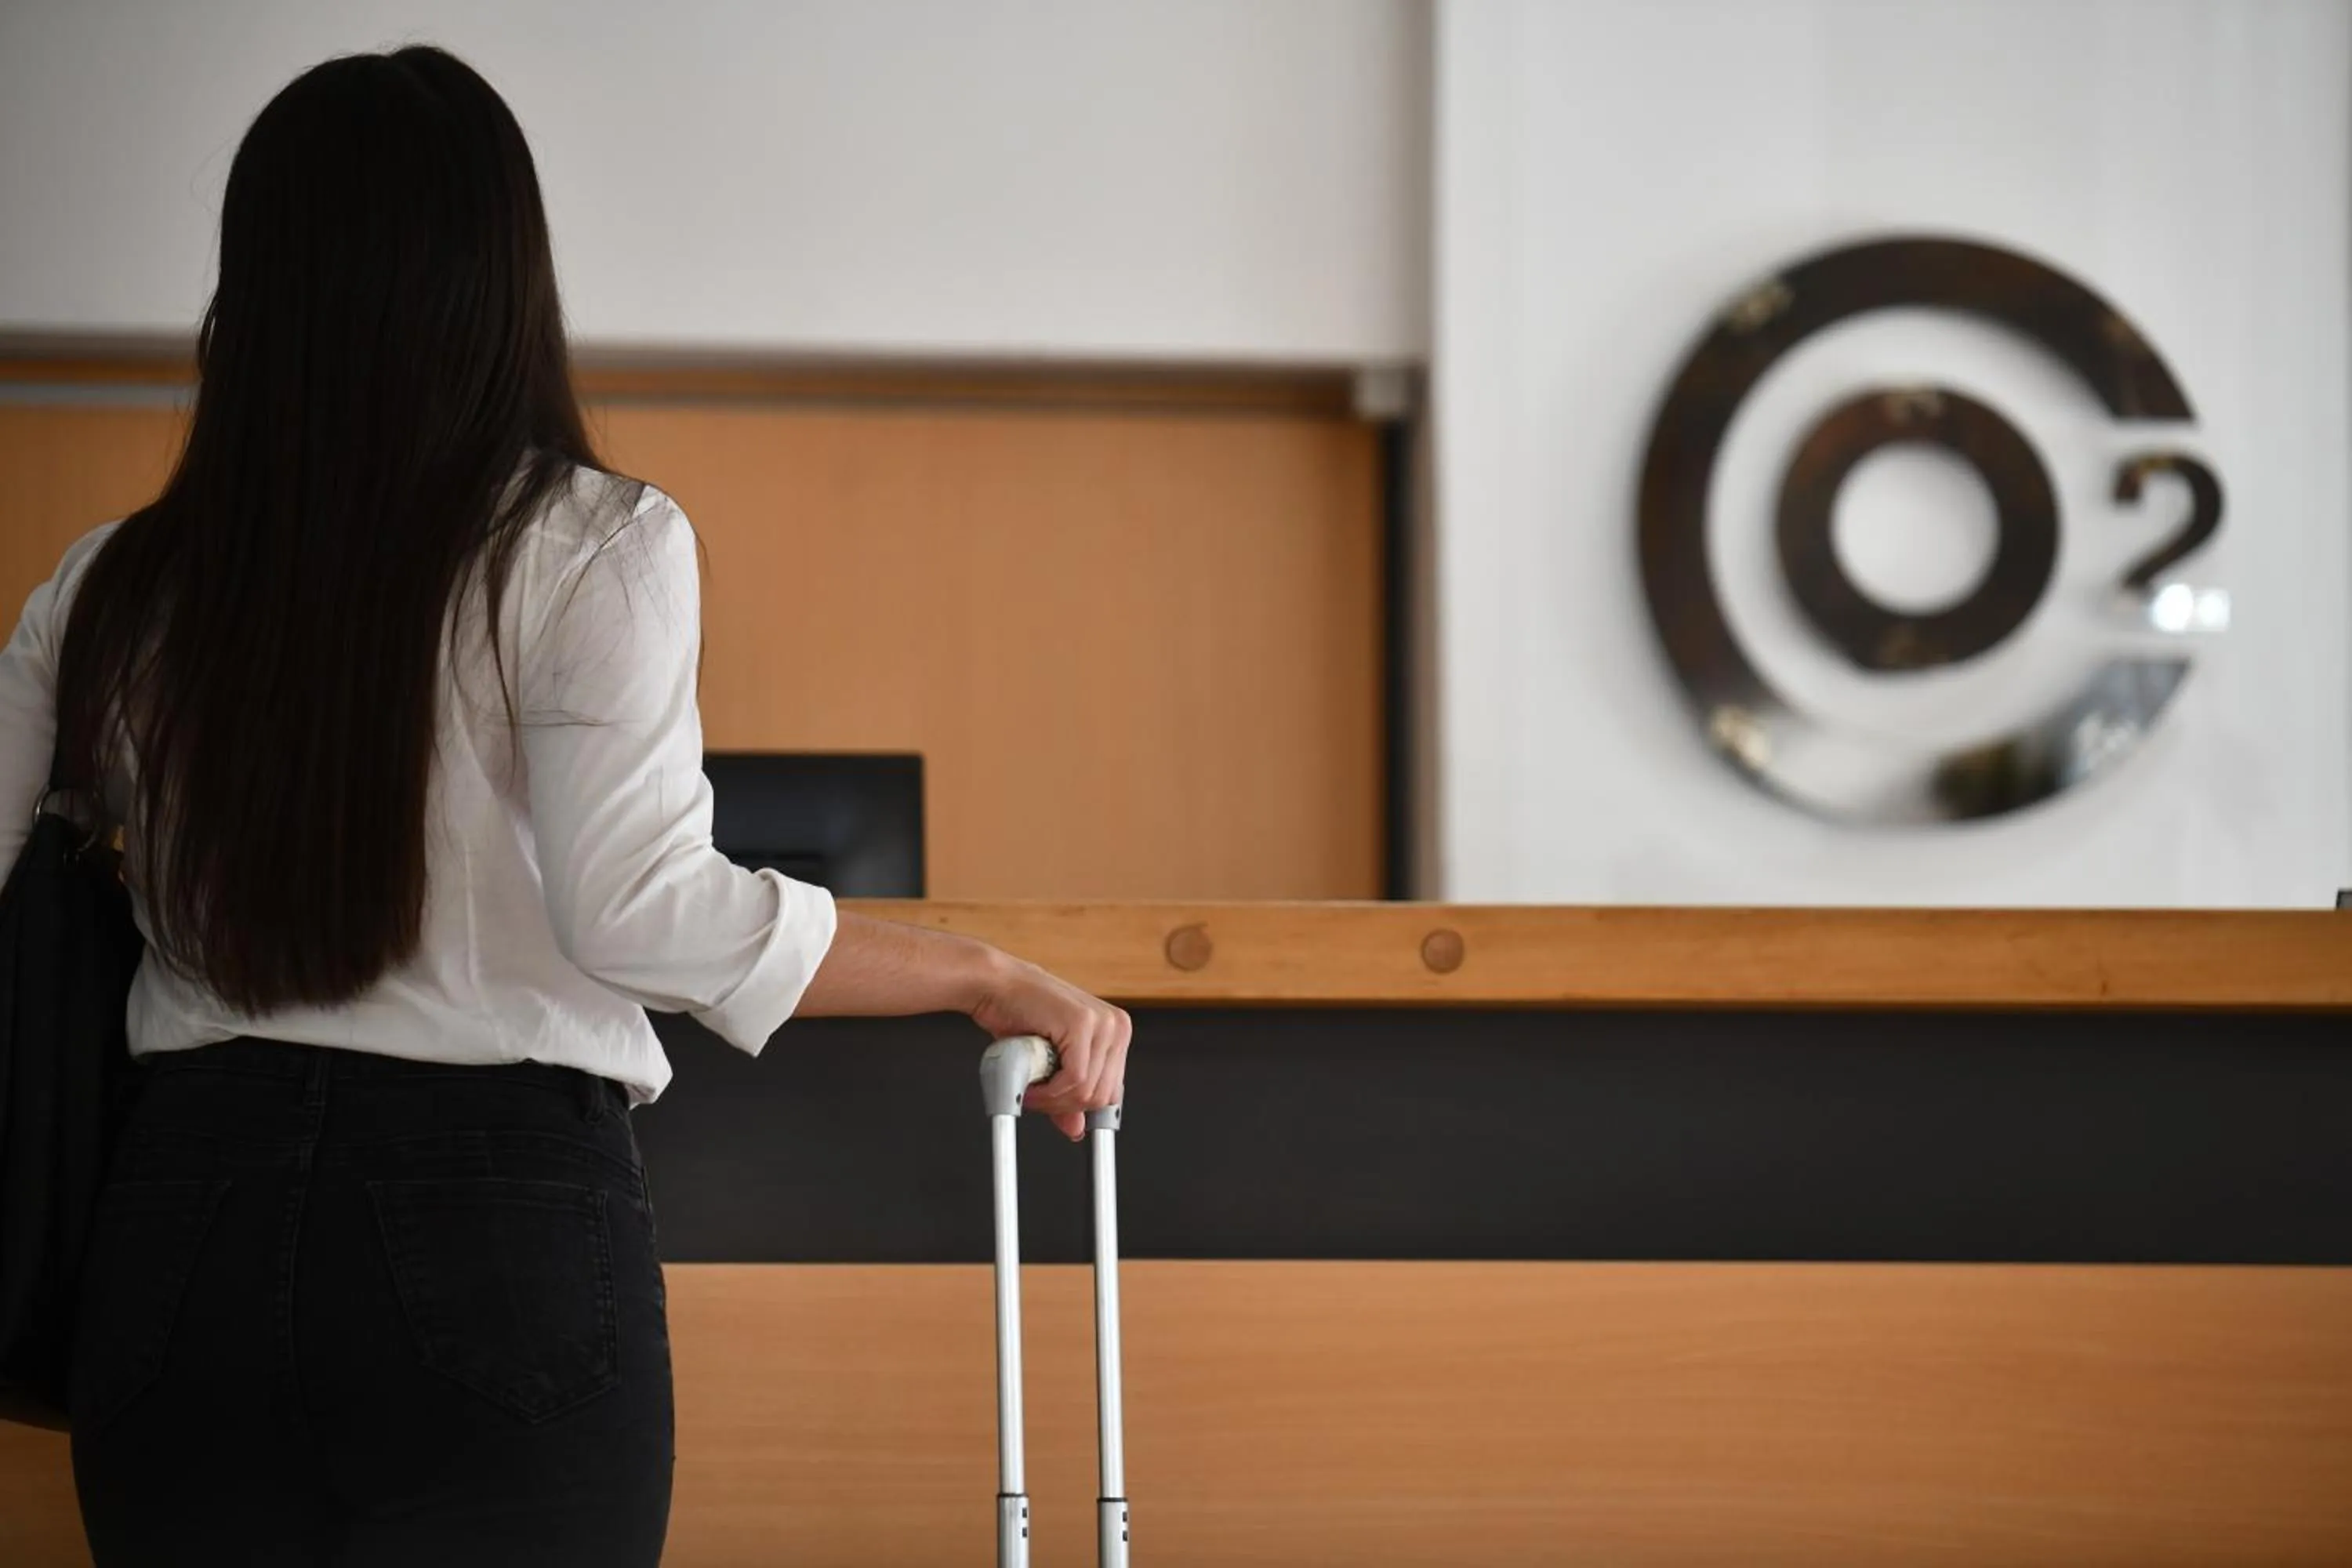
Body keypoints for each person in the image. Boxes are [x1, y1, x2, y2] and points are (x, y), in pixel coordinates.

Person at [0, 44, 1129, 1568]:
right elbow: (642, 910)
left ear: (249, 295)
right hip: (488, 1242)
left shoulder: (110, 587)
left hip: (183, 1239)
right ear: (503, 278)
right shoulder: (586, 548)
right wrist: (986, 972)